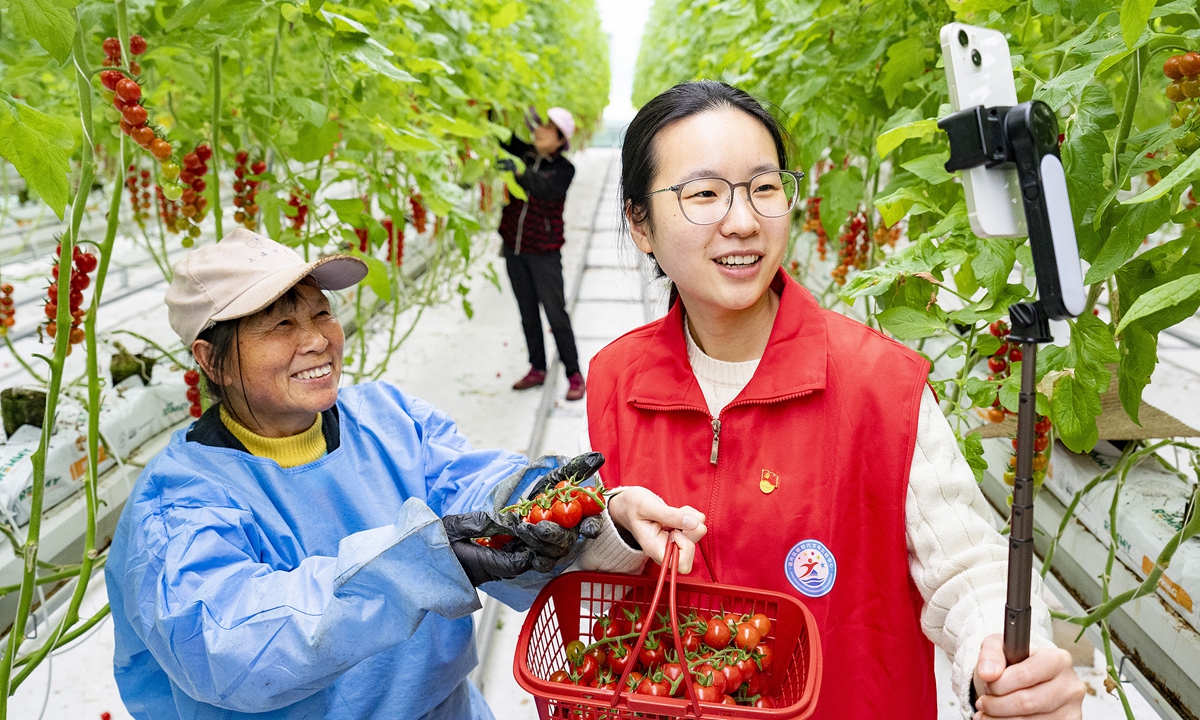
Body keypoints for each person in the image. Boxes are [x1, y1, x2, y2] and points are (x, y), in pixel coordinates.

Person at [585, 81, 1086, 719]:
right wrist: (609, 529)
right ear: (641, 223)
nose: (742, 221)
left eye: (764, 188)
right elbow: (609, 577)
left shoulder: (881, 384)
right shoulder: (615, 380)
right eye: (703, 193)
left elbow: (967, 565)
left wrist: (1005, 656)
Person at [104, 228, 707, 720]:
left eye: (321, 313)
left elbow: (472, 489)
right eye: (280, 326)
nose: (316, 340)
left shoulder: (387, 420)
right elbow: (230, 645)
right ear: (212, 360)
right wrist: (422, 563)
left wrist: (582, 512)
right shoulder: (178, 503)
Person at [498, 107, 585, 401]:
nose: (538, 131)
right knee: (527, 312)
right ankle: (537, 368)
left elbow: (543, 188)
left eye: (546, 128)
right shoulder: (525, 154)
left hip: (544, 252)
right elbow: (500, 134)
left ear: (561, 138)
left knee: (555, 313)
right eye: (538, 126)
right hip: (515, 248)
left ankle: (574, 374)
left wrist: (518, 171)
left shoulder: (563, 169)